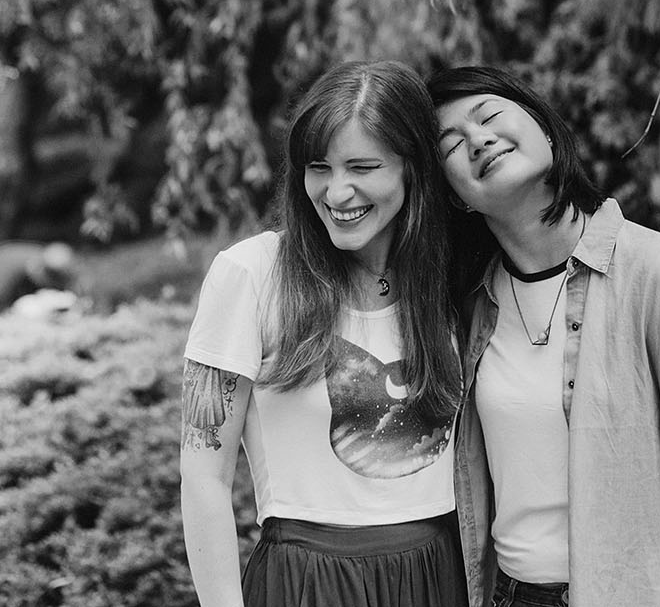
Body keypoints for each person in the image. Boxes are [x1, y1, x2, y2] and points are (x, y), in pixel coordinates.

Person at [430, 66, 660, 607]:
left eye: (488, 116)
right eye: (452, 144)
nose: (478, 139)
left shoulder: (658, 271)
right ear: (457, 196)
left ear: (547, 131)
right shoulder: (471, 308)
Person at [179, 61, 465, 607]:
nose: (337, 192)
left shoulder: (451, 280)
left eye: (362, 166)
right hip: (307, 579)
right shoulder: (252, 274)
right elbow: (204, 479)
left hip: (440, 573)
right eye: (318, 167)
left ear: (413, 169)